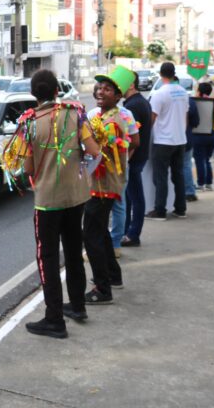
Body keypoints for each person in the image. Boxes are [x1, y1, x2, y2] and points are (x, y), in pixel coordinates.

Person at [2, 69, 99, 337]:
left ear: (33, 94)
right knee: (73, 250)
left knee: (47, 258)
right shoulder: (76, 113)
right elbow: (94, 151)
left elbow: (29, 168)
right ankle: (78, 305)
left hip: (47, 201)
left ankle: (54, 318)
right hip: (76, 195)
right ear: (57, 91)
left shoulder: (30, 123)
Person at [84, 67, 139, 303]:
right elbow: (134, 141)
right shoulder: (99, 115)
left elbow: (131, 142)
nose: (100, 92)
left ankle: (102, 289)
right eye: (99, 88)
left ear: (118, 96)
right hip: (101, 180)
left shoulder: (115, 119)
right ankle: (113, 275)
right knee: (100, 231)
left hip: (103, 184)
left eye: (107, 89)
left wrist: (119, 165)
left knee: (91, 235)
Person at [146, 62, 189, 220]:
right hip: (180, 140)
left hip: (163, 141)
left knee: (160, 177)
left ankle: (160, 211)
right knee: (178, 175)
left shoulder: (160, 94)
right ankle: (180, 209)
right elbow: (185, 116)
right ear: (173, 73)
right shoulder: (183, 92)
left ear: (161, 74)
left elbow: (152, 118)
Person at [121, 72, 153, 248]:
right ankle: (126, 231)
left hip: (133, 159)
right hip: (139, 157)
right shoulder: (140, 102)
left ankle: (133, 234)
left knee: (134, 196)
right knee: (131, 196)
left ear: (131, 85)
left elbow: (132, 139)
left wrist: (125, 162)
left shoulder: (133, 106)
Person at [193, 81, 214, 191]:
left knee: (199, 160)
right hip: (213, 133)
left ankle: (201, 184)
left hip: (199, 134)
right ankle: (209, 183)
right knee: (207, 159)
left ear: (199, 91)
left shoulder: (195, 102)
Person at [183, 91, 200, 202]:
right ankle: (189, 191)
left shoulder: (160, 96)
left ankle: (177, 193)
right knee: (186, 165)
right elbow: (195, 122)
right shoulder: (190, 101)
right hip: (187, 138)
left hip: (166, 140)